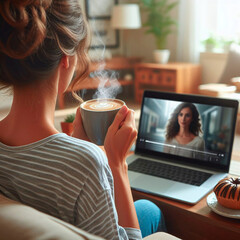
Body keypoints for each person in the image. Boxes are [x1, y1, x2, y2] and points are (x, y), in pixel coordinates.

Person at [0, 0, 166, 239]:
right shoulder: (87, 162)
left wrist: (75, 145)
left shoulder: (80, 159)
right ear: (66, 59)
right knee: (151, 212)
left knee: (147, 209)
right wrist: (116, 165)